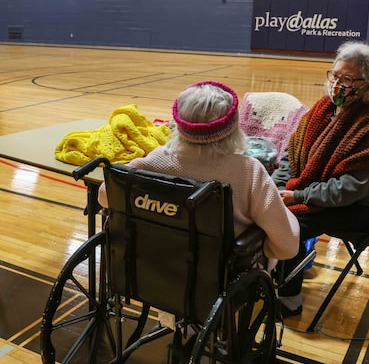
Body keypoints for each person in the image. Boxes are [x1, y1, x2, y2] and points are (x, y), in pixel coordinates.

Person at [98, 80, 300, 263]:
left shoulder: (157, 159)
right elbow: (287, 247)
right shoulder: (248, 171)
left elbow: (105, 196)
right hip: (216, 276)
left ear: (178, 124)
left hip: (154, 266)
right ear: (232, 127)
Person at [272, 41, 369, 317]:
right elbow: (291, 156)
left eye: (346, 79)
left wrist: (298, 196)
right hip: (310, 193)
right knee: (264, 209)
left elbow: (350, 190)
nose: (337, 84)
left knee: (288, 225)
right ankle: (269, 277)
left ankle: (289, 301)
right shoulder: (324, 108)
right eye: (334, 76)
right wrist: (277, 186)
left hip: (356, 208)